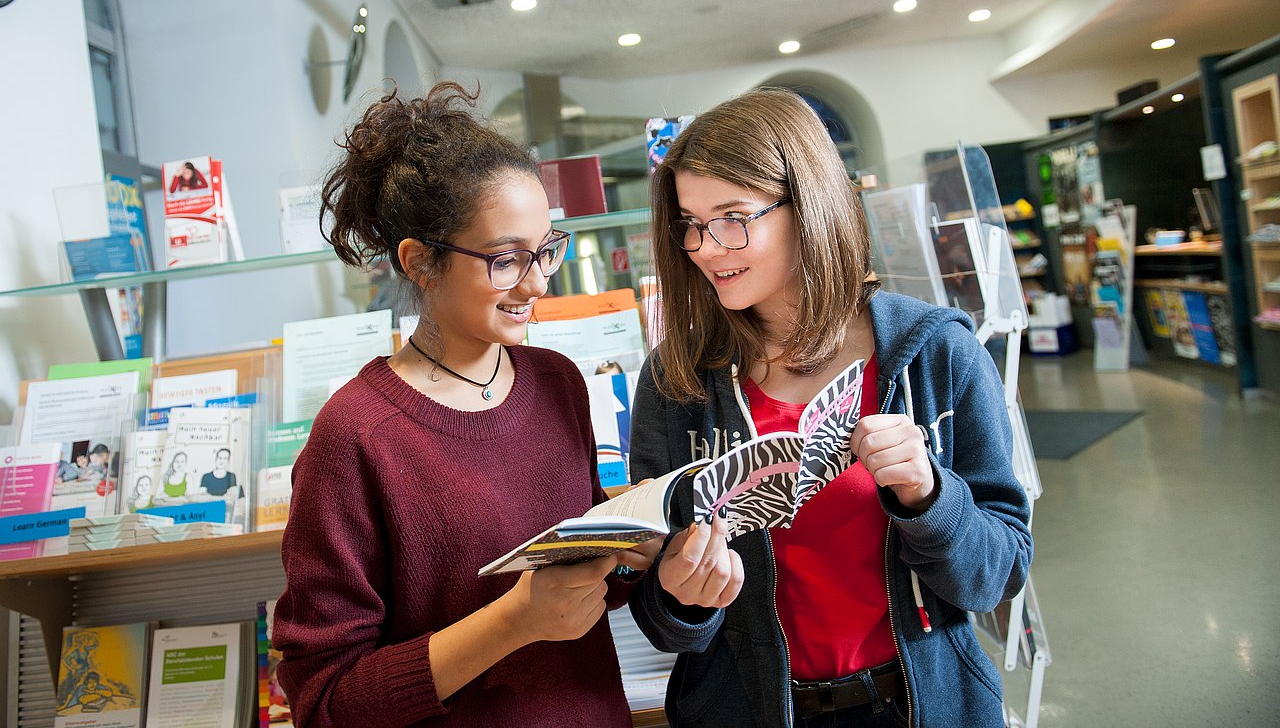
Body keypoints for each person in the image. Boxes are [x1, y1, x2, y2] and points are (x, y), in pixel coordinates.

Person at [627, 87, 1033, 727]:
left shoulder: (936, 355)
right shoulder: (677, 382)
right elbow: (661, 621)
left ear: (808, 206)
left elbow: (996, 576)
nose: (706, 247)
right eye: (691, 224)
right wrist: (683, 598)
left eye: (733, 217)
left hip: (918, 706)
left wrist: (929, 497)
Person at [272, 81, 659, 728]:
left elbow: (578, 590)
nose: (538, 283)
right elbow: (326, 701)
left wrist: (630, 554)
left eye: (546, 250)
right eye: (505, 260)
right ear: (419, 261)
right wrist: (512, 622)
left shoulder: (558, 382)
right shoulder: (356, 436)